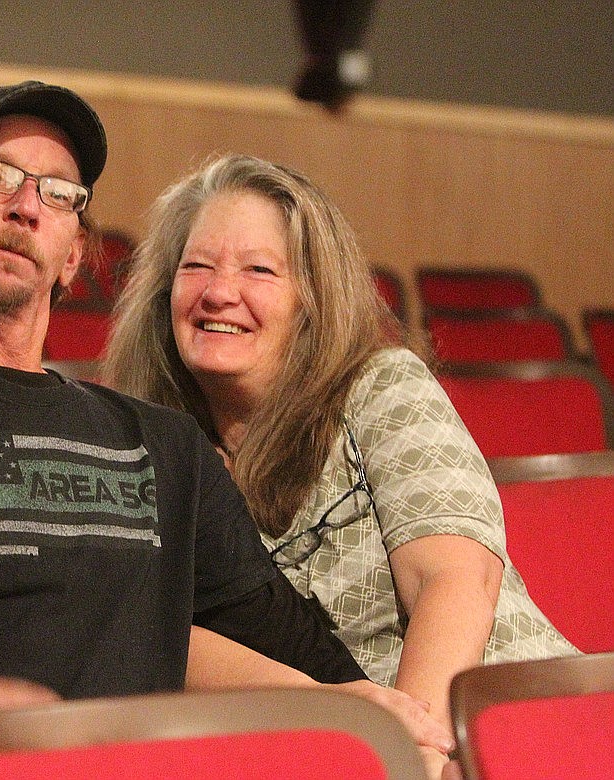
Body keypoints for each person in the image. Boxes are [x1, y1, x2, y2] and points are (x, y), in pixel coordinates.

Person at [0, 83, 451, 758]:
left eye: (60, 194)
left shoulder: (163, 446)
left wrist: (373, 716)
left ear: (71, 257)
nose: (26, 206)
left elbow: (294, 646)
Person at [105, 152, 577, 777]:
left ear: (311, 299)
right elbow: (160, 637)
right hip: (335, 751)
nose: (220, 292)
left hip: (492, 733)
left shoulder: (381, 386)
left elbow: (454, 582)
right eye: (196, 266)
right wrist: (340, 721)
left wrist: (415, 755)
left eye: (259, 269)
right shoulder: (150, 451)